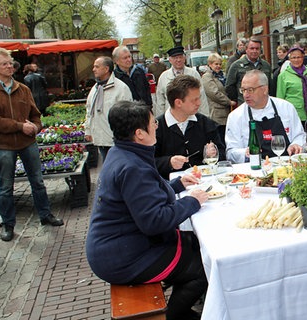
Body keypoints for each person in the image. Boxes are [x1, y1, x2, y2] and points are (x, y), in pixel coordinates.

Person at [86, 100, 208, 320]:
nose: (157, 126)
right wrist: (192, 202)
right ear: (140, 133)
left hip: (123, 244)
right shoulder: (132, 166)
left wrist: (177, 185)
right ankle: (174, 315)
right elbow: (155, 221)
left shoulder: (121, 152)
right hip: (124, 256)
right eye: (154, 123)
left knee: (198, 244)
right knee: (203, 266)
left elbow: (141, 197)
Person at [0, 47, 64, 242]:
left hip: (28, 142)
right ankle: (8, 224)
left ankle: (45, 215)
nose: (10, 66)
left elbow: (36, 115)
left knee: (37, 181)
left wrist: (35, 128)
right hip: (4, 145)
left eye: (10, 63)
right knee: (5, 187)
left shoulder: (23, 88)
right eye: (5, 64)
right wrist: (21, 126)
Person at [225, 70, 305, 163]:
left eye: (250, 90)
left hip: (286, 166)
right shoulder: (235, 116)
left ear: (264, 89)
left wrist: (296, 145)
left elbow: (299, 135)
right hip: (253, 170)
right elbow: (230, 153)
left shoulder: (286, 107)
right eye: (243, 90)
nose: (246, 95)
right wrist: (244, 153)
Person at [155, 75, 225, 179]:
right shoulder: (157, 127)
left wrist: (214, 153)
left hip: (205, 181)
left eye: (199, 98)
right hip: (171, 187)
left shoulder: (205, 123)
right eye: (194, 100)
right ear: (178, 102)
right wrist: (169, 162)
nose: (199, 103)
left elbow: (222, 154)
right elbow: (148, 162)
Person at [84, 56, 133, 161]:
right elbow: (89, 110)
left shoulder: (121, 88)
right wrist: (88, 130)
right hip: (101, 140)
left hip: (116, 141)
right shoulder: (95, 88)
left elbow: (128, 115)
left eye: (97, 67)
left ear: (106, 69)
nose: (93, 69)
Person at [155, 46, 209, 118]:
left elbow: (202, 97)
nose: (178, 60)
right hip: (171, 117)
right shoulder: (164, 77)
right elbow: (160, 102)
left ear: (184, 58)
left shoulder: (193, 74)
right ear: (170, 60)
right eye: (175, 58)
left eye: (180, 57)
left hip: (191, 116)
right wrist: (160, 122)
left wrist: (205, 117)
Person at [202, 53, 236, 146]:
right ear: (210, 64)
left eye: (220, 64)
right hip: (217, 114)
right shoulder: (207, 77)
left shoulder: (222, 76)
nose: (218, 66)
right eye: (216, 64)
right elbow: (214, 93)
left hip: (226, 113)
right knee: (220, 140)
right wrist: (229, 102)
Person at [225, 37, 272, 105]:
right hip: (244, 105)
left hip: (263, 105)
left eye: (257, 49)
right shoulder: (236, 66)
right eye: (252, 48)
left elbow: (270, 86)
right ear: (246, 49)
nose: (254, 51)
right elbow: (229, 86)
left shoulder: (266, 65)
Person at [276, 46, 307, 122]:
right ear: (289, 59)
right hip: (293, 115)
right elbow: (280, 99)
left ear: (303, 58)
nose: (296, 60)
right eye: (293, 58)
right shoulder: (283, 76)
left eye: (299, 57)